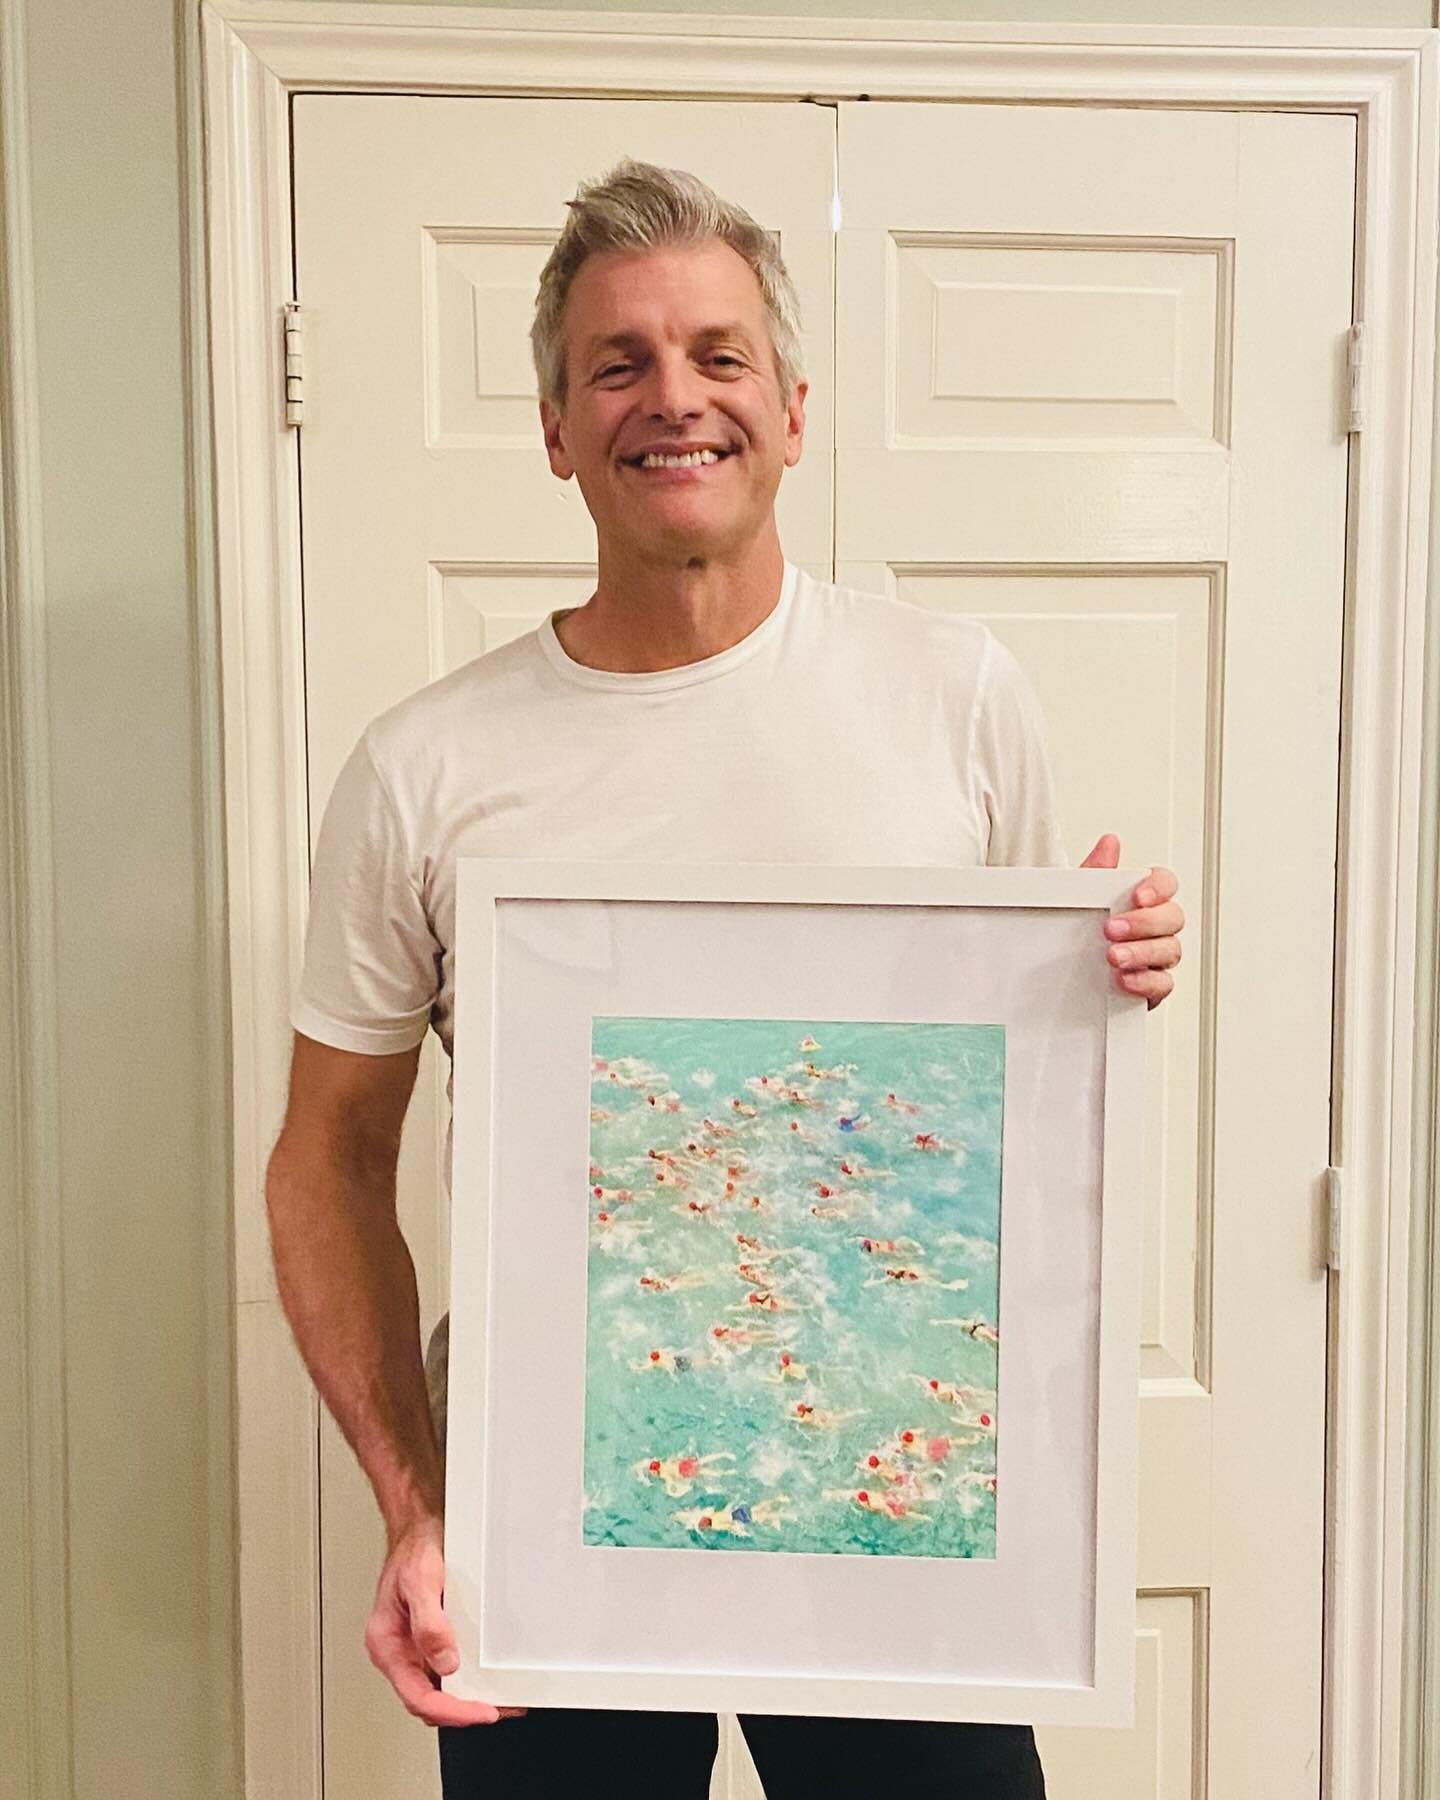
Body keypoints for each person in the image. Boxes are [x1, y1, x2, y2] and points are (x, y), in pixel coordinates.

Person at [265, 159, 1185, 1799]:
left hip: (907, 1524)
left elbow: (1017, 1107)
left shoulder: (957, 697)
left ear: (794, 410)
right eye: (617, 364)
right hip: (548, 1530)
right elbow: (325, 1158)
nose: (673, 398)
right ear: (557, 428)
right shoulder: (425, 766)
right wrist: (416, 1505)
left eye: (718, 354)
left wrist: (1102, 974)